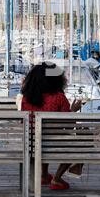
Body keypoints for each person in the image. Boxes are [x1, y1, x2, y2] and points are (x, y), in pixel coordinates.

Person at [20, 61, 82, 190]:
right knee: (79, 144)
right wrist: (73, 111)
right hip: (53, 143)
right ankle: (57, 179)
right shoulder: (59, 97)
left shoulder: (27, 98)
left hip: (31, 143)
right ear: (55, 80)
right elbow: (68, 126)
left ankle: (44, 175)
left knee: (41, 134)